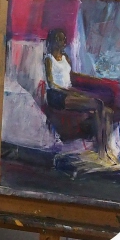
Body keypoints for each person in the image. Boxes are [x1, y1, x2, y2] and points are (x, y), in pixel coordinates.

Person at [42, 28, 114, 161]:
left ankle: (105, 149)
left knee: (107, 112)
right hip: (56, 95)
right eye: (59, 39)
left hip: (68, 91)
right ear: (53, 41)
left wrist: (87, 83)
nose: (63, 42)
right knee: (98, 104)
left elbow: (70, 76)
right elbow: (51, 84)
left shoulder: (65, 58)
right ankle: (101, 151)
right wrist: (71, 92)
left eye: (64, 39)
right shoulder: (48, 59)